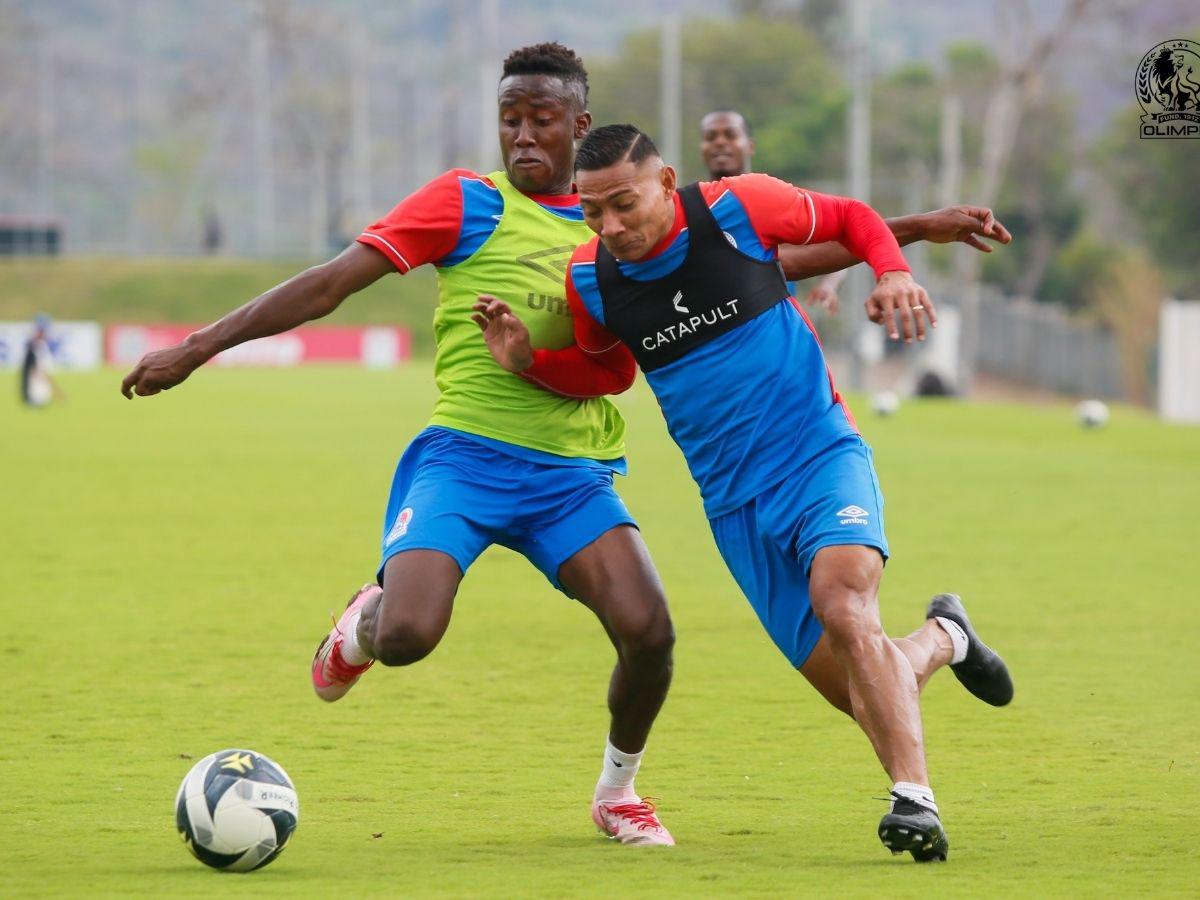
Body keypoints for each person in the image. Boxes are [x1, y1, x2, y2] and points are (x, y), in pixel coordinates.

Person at [120, 45, 676, 846]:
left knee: (650, 634)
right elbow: (328, 283)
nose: (521, 136)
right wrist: (199, 345)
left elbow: (739, 270)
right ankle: (364, 625)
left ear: (580, 127)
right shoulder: (465, 202)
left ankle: (617, 793)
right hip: (467, 459)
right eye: (509, 119)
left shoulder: (618, 222)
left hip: (572, 477)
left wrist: (887, 242)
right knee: (410, 637)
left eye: (542, 121)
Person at [472, 124, 1014, 862]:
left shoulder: (738, 210)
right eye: (594, 212)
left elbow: (852, 219)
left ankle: (915, 801)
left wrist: (893, 268)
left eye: (624, 204)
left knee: (844, 603)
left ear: (664, 184)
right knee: (861, 687)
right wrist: (530, 361)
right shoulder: (592, 278)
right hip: (733, 507)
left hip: (819, 455)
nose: (612, 227)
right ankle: (946, 636)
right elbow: (608, 375)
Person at [698, 109, 1012, 316]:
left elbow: (835, 236)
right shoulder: (687, 216)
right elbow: (787, 261)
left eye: (730, 135)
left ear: (749, 145)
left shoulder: (772, 199)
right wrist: (921, 227)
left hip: (778, 355)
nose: (720, 143)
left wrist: (834, 283)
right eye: (711, 137)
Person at [20, 314, 63, 408]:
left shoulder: (39, 345)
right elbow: (36, 370)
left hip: (37, 385)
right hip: (35, 390)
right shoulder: (34, 347)